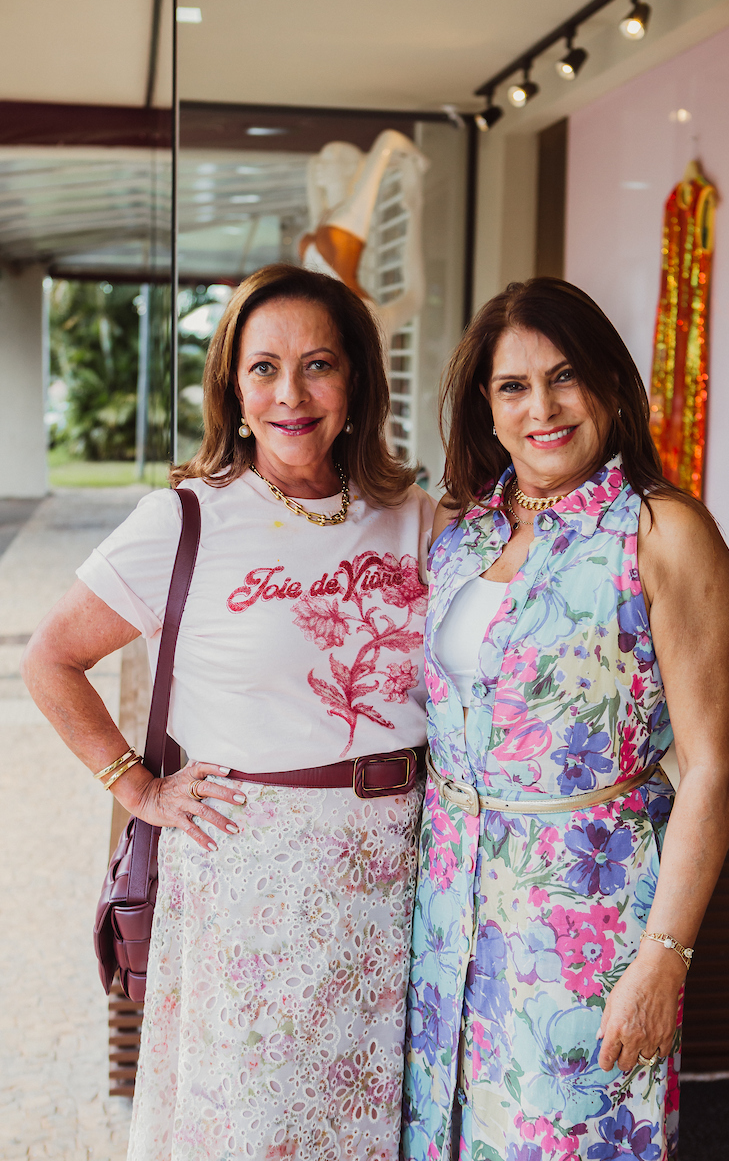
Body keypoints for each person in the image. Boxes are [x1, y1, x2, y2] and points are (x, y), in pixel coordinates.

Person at [22, 264, 434, 1160]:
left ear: (357, 379)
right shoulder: (186, 520)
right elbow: (51, 660)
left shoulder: (414, 517)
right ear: (232, 388)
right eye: (264, 368)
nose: (292, 393)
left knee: (376, 1125)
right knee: (256, 1128)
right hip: (254, 884)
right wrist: (134, 788)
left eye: (319, 365)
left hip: (402, 879)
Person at [402, 277, 729, 1161]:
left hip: (587, 928)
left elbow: (714, 766)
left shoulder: (662, 532)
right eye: (513, 387)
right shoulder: (464, 531)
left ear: (607, 383)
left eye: (565, 377)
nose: (542, 408)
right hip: (451, 918)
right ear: (486, 403)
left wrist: (664, 957)